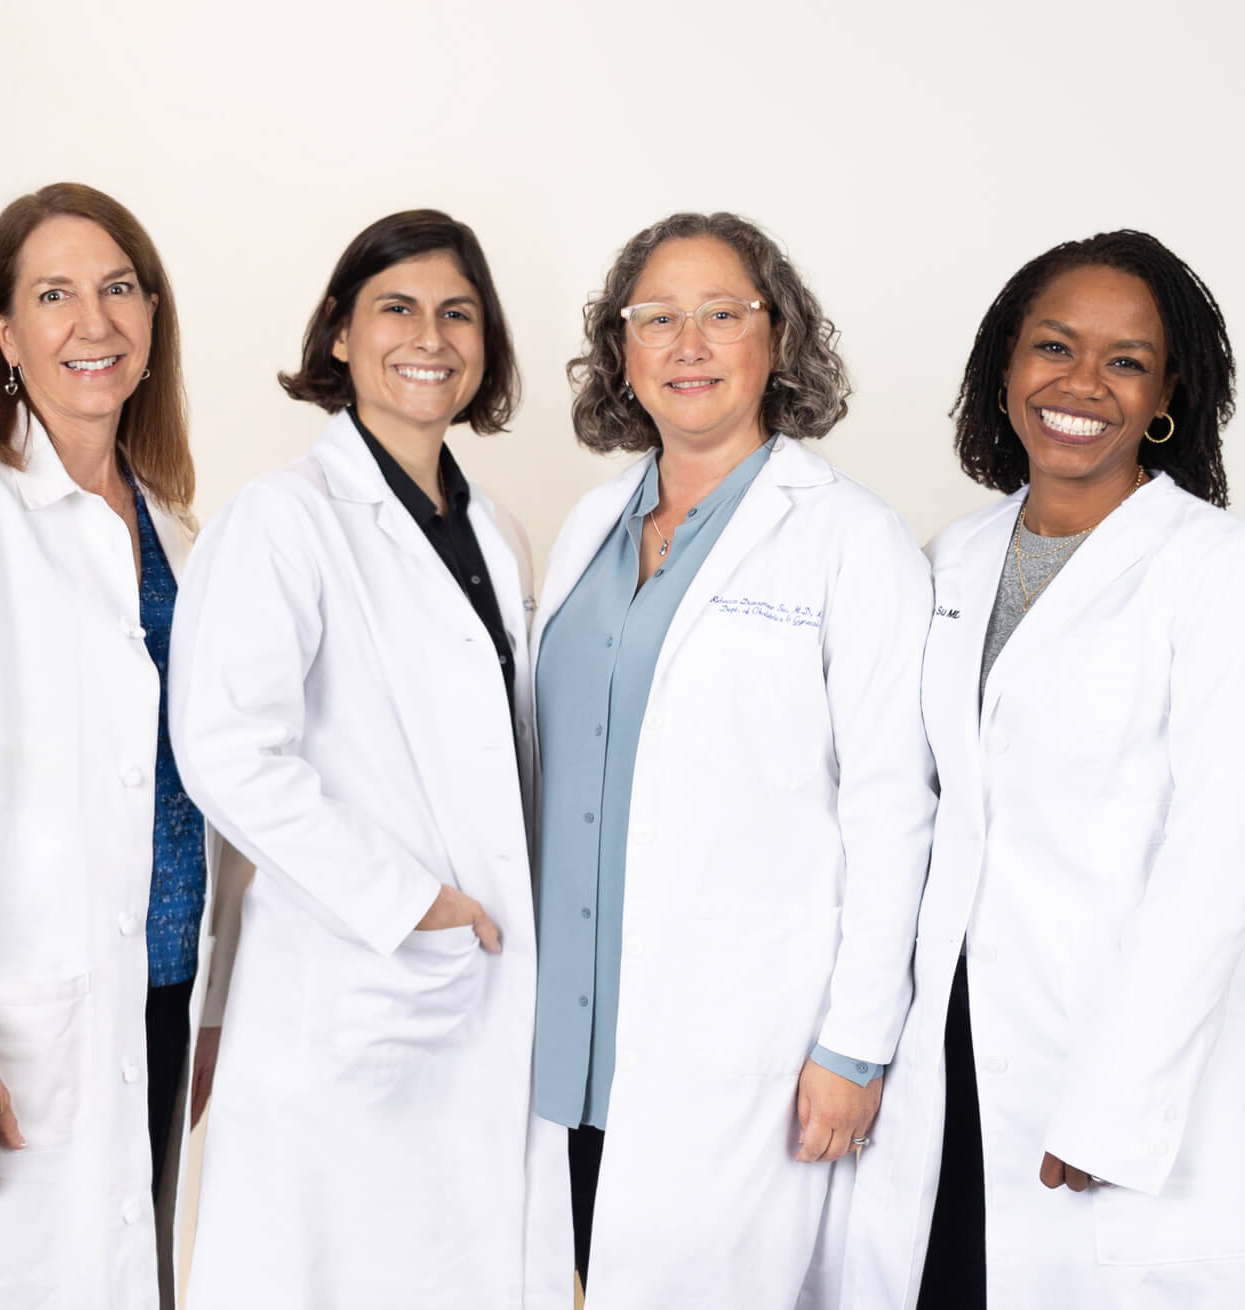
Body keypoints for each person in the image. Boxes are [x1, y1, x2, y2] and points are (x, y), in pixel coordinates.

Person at [168, 209, 572, 1310]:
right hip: (356, 985)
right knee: (332, 1267)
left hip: (473, 992)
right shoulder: (283, 518)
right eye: (395, 307)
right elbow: (226, 752)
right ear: (340, 335)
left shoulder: (494, 526)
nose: (427, 335)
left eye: (457, 312)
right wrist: (411, 904)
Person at [531, 211, 937, 1308]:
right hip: (565, 1042)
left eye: (723, 314)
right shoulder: (587, 525)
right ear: (622, 352)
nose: (688, 343)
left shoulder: (850, 536)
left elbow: (894, 806)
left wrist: (855, 1044)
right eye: (655, 318)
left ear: (779, 337)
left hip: (741, 1043)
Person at [842, 230, 1244, 1310]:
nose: (1081, 384)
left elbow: (1216, 860)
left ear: (1167, 394)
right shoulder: (951, 556)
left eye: (1125, 360)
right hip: (945, 1048)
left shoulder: (1212, 572)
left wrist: (1118, 1103)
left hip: (1106, 1056)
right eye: (1053, 347)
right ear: (1004, 367)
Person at [0, 182, 246, 1310]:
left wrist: (215, 1007)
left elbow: (211, 782)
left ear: (153, 317)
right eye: (54, 294)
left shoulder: (180, 528)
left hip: (158, 992)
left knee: (132, 1279)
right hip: (11, 1025)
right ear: (3, 334)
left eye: (119, 287)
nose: (95, 322)